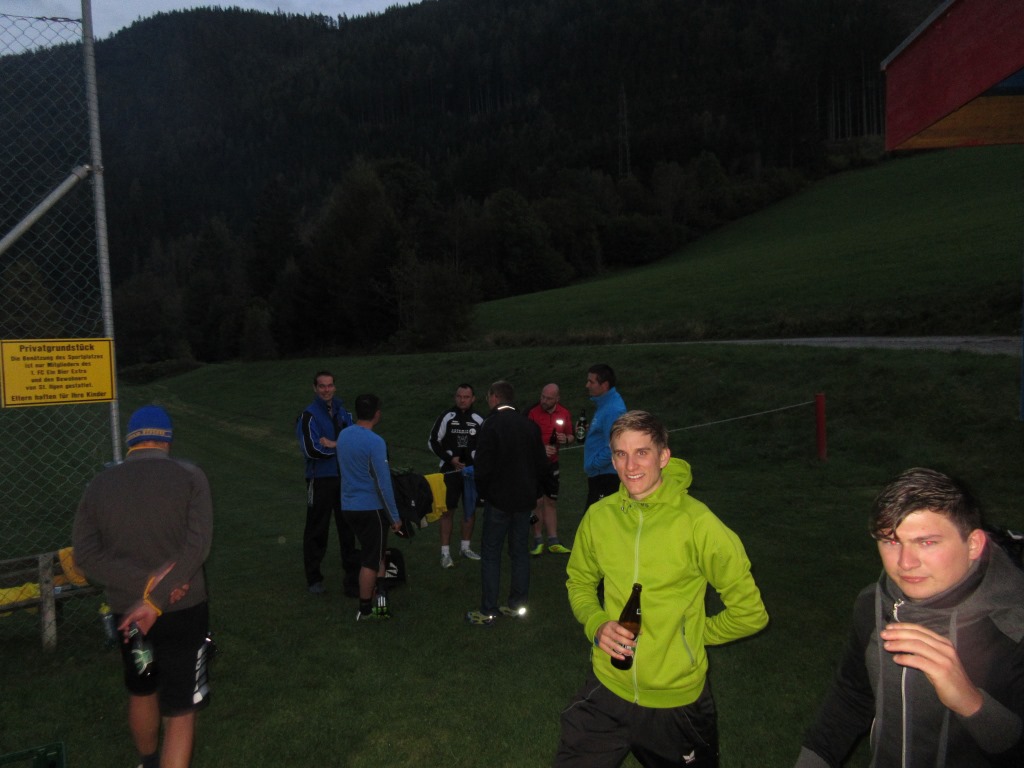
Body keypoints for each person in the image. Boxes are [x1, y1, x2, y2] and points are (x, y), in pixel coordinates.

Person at [555, 410, 769, 767]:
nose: (631, 465)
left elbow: (750, 614)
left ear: (664, 456)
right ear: (612, 459)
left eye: (642, 452)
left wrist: (692, 634)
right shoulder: (598, 517)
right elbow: (579, 581)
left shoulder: (699, 524)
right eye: (621, 454)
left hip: (677, 704)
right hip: (607, 688)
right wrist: (597, 624)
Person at [794, 467, 1024, 767]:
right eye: (891, 541)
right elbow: (852, 696)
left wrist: (969, 701)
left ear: (973, 545)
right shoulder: (874, 606)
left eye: (926, 542)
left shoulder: (1014, 626)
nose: (905, 562)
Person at [72, 405, 213, 768]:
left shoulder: (99, 485)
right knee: (181, 708)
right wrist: (161, 589)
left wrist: (142, 585)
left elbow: (84, 554)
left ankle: (147, 762)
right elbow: (198, 547)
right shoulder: (191, 476)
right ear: (167, 440)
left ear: (130, 441)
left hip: (129, 612)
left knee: (142, 687)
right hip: (183, 608)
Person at [465, 380, 551, 625]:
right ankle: (517, 605)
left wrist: (485, 493)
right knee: (519, 552)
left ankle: (488, 610)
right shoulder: (529, 425)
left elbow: (482, 467)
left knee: (491, 553)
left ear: (494, 397)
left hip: (499, 500)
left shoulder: (491, 424)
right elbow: (541, 465)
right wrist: (535, 491)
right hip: (523, 500)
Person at [337, 393, 404, 621]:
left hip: (348, 506)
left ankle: (381, 599)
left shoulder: (344, 435)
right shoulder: (375, 442)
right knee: (371, 561)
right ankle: (365, 610)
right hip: (370, 508)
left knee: (377, 552)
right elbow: (383, 484)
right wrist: (394, 517)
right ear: (377, 413)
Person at [296, 370, 359, 596]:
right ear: (315, 388)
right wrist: (340, 446)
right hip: (320, 480)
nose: (326, 390)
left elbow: (355, 441)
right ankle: (314, 578)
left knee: (348, 527)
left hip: (344, 478)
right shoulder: (308, 416)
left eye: (330, 385)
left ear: (335, 387)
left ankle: (352, 576)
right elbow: (311, 449)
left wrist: (334, 444)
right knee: (317, 530)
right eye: (322, 386)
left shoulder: (344, 413)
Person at [427, 383, 485, 567]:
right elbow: (433, 441)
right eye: (459, 396)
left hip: (471, 473)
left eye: (466, 397)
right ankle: (445, 553)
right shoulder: (447, 416)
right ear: (455, 397)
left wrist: (475, 462)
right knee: (447, 511)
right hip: (449, 472)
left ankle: (465, 548)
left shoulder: (479, 418)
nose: (462, 400)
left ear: (473, 398)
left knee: (470, 509)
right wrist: (449, 459)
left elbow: (487, 445)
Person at [526, 383, 575, 555]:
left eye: (548, 398)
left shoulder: (564, 413)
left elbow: (572, 435)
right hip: (534, 465)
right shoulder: (532, 413)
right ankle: (537, 539)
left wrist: (565, 439)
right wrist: (541, 449)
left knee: (551, 501)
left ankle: (553, 540)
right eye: (542, 397)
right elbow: (525, 440)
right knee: (536, 503)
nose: (544, 400)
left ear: (557, 399)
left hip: (552, 464)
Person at [582, 363, 627, 511]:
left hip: (606, 476)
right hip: (601, 475)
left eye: (591, 382)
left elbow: (616, 445)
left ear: (605, 385)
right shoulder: (605, 405)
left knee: (595, 520)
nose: (587, 385)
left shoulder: (612, 410)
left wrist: (594, 464)